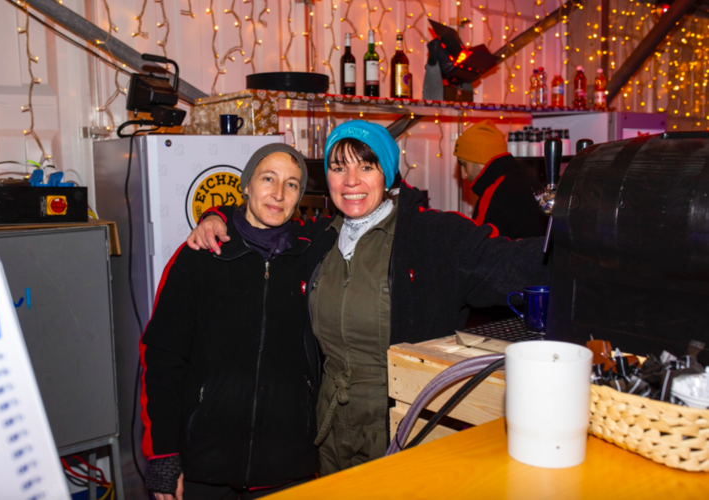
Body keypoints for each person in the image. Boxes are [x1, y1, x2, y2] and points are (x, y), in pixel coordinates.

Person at [188, 121, 549, 475]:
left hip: (403, 428)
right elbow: (261, 226)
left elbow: (519, 264)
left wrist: (586, 237)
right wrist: (216, 215)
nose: (351, 181)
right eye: (338, 167)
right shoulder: (318, 239)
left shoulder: (433, 238)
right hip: (327, 430)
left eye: (366, 166)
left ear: (388, 173)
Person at [140, 143, 321, 500]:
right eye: (268, 178)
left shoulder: (313, 254)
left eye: (292, 184)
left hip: (288, 464)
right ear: (246, 186)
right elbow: (162, 359)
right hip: (205, 466)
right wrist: (162, 454)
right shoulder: (201, 256)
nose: (278, 193)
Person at [454, 120, 548, 239]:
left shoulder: (493, 194)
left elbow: (479, 249)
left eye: (464, 164)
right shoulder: (530, 182)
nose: (463, 174)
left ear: (478, 159)